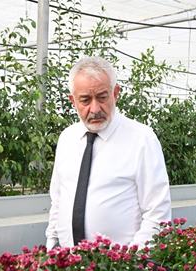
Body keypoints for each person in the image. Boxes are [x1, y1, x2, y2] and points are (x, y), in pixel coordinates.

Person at [45, 56, 172, 250]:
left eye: (102, 97)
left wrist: (129, 264)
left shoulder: (141, 139)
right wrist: (52, 245)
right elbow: (58, 199)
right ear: (73, 100)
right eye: (85, 100)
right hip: (68, 266)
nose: (95, 109)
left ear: (115, 93)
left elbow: (157, 212)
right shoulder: (67, 139)